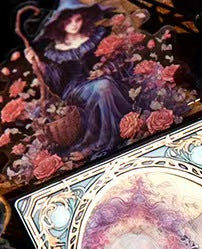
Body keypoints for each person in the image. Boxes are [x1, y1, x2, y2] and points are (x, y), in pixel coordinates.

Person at [24, 0, 132, 156]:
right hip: (75, 90)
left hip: (107, 79)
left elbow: (117, 58)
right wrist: (38, 64)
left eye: (78, 19)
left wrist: (105, 69)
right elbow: (56, 82)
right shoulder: (54, 50)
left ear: (84, 17)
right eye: (68, 21)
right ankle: (103, 141)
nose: (74, 25)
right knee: (103, 87)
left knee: (105, 86)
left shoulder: (98, 34)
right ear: (60, 24)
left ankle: (122, 130)